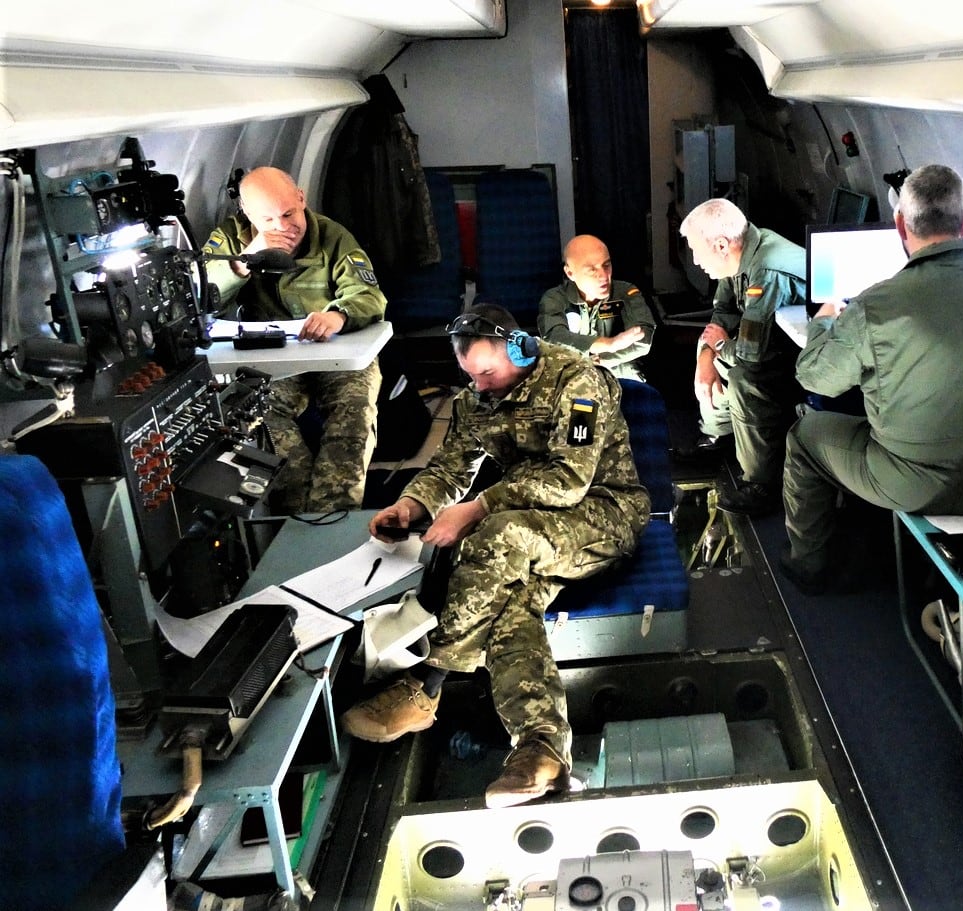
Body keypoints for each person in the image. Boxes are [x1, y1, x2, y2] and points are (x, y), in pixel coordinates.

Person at [340, 303, 650, 809]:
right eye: (469, 375)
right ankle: (541, 750)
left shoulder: (579, 385)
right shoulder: (478, 398)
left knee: (493, 536)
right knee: (510, 605)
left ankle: (428, 683)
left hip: (604, 516)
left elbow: (568, 480)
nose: (479, 386)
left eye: (486, 372)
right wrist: (412, 503)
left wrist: (478, 507)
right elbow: (450, 465)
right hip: (534, 530)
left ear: (520, 349)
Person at [779, 164, 963, 593]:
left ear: (901, 225)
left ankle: (811, 566)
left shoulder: (877, 304)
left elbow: (816, 378)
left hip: (911, 485)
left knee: (805, 435)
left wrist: (824, 324)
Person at [203, 166, 386, 514]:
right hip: (273, 359)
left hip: (334, 351)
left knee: (353, 415)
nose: (283, 228)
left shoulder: (332, 237)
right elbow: (201, 297)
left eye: (289, 214)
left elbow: (369, 295)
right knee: (259, 418)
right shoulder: (231, 239)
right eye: (268, 220)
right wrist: (243, 263)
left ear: (301, 198)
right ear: (248, 215)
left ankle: (334, 516)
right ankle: (297, 518)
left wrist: (339, 315)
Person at [679, 198, 807, 515]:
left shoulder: (766, 271)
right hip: (769, 342)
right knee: (712, 354)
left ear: (721, 245)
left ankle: (764, 484)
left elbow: (751, 357)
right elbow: (721, 312)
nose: (695, 261)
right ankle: (718, 434)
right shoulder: (738, 253)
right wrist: (705, 358)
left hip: (804, 354)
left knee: (744, 379)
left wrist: (720, 348)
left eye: (697, 250)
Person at [538, 234, 655, 382]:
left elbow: (642, 340)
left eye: (606, 265)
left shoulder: (625, 292)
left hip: (618, 371)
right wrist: (609, 344)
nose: (604, 276)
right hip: (573, 376)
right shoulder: (555, 299)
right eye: (592, 270)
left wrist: (601, 361)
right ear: (570, 273)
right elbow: (554, 338)